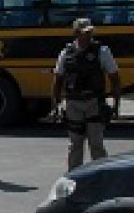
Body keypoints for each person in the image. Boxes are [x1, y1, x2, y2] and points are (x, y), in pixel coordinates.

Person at [51, 17, 122, 170]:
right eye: (85, 32)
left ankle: (102, 176)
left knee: (96, 143)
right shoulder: (66, 53)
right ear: (77, 33)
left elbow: (114, 77)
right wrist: (56, 104)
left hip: (94, 103)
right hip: (73, 103)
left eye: (90, 32)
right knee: (75, 144)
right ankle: (74, 178)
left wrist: (116, 104)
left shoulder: (102, 51)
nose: (89, 35)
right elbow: (58, 79)